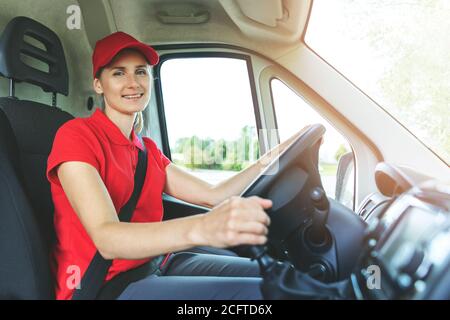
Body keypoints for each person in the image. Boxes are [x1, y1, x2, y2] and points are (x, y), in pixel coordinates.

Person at [46, 31, 299, 300]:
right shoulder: (76, 136)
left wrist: (278, 154)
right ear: (98, 84)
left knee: (281, 277)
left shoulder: (148, 150)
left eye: (141, 72)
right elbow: (108, 239)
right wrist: (202, 228)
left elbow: (216, 194)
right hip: (106, 286)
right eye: (119, 73)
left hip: (155, 264)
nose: (133, 82)